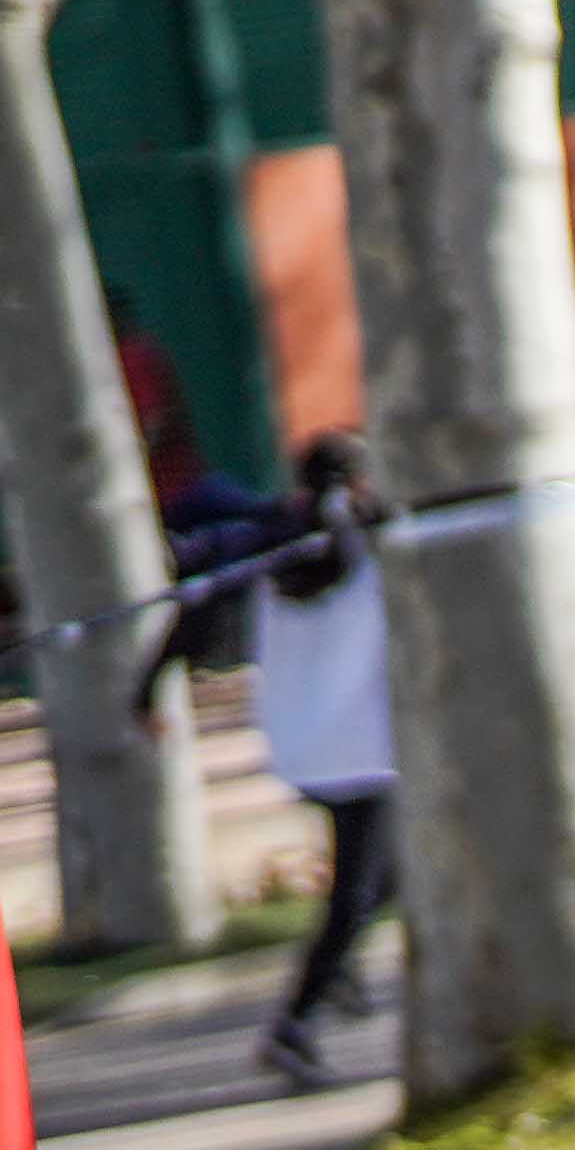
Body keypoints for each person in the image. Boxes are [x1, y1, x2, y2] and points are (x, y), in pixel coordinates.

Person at [233, 437, 395, 1094]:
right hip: (362, 745)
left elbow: (194, 618)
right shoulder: (344, 543)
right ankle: (294, 1024)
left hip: (306, 739)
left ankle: (342, 965)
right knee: (360, 889)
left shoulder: (280, 548)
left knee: (388, 876)